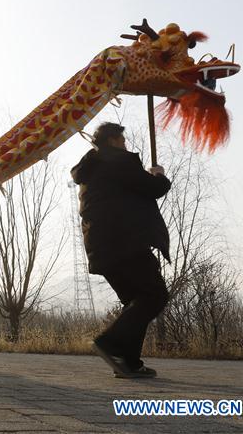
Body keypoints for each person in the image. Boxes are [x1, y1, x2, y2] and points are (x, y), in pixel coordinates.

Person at [71, 122, 171, 379]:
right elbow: (153, 189)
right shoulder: (117, 161)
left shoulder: (90, 170)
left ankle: (127, 362)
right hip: (125, 242)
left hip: (101, 248)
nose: (126, 146)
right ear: (114, 140)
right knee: (154, 295)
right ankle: (109, 343)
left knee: (135, 300)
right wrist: (158, 174)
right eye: (123, 141)